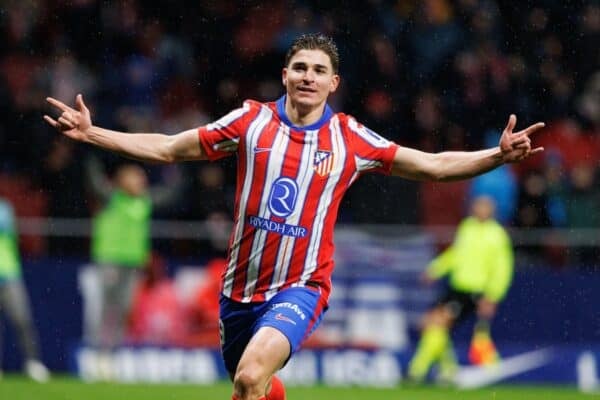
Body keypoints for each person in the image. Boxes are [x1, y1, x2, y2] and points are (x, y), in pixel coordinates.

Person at [44, 33, 543, 400]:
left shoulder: (350, 138)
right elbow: (172, 149)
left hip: (302, 287)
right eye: (300, 67)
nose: (308, 76)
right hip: (238, 292)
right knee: (253, 387)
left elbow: (432, 166)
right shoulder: (250, 121)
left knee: (249, 374)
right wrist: (95, 135)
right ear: (285, 74)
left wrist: (493, 156)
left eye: (318, 70)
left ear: (334, 82)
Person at [408, 195, 514, 382]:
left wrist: (493, 295)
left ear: (492, 211)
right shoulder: (468, 227)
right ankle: (448, 371)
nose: (479, 209)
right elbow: (456, 254)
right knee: (435, 326)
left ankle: (417, 371)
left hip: (475, 292)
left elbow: (502, 268)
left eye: (484, 207)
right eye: (477, 206)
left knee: (437, 323)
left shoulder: (497, 235)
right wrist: (435, 269)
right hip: (457, 287)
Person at [84, 156, 181, 350]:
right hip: (110, 259)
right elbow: (94, 181)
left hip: (133, 262)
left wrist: (176, 172)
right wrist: (90, 154)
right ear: (122, 181)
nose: (141, 181)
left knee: (126, 308)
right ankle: (95, 349)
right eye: (135, 177)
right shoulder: (111, 197)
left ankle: (114, 350)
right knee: (105, 306)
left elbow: (171, 194)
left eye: (141, 177)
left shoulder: (145, 201)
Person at [0, 197, 50, 382]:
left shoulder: (4, 208)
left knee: (22, 320)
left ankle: (33, 363)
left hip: (9, 272)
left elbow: (12, 235)